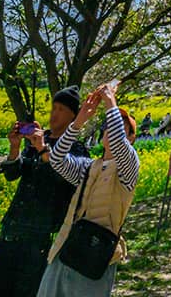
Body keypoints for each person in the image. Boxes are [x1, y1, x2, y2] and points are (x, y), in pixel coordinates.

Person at [38, 83, 140, 296]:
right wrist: (79, 121)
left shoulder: (128, 168)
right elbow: (56, 159)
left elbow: (119, 144)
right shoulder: (88, 166)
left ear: (130, 138)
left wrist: (111, 102)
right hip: (65, 248)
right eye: (110, 125)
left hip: (95, 257)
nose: (111, 129)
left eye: (122, 126)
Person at [0, 87, 87, 297]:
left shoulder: (77, 150)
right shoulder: (36, 142)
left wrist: (44, 149)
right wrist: (15, 149)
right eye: (53, 107)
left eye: (61, 109)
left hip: (42, 235)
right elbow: (13, 174)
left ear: (73, 116)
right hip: (14, 226)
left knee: (29, 291)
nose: (54, 113)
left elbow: (63, 179)